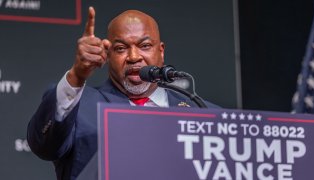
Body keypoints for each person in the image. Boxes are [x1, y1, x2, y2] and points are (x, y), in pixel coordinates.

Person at [27, 7, 219, 180]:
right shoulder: (79, 106)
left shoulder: (203, 113)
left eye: (144, 46)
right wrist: (77, 75)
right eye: (121, 48)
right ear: (108, 55)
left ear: (161, 52)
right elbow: (44, 146)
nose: (134, 57)